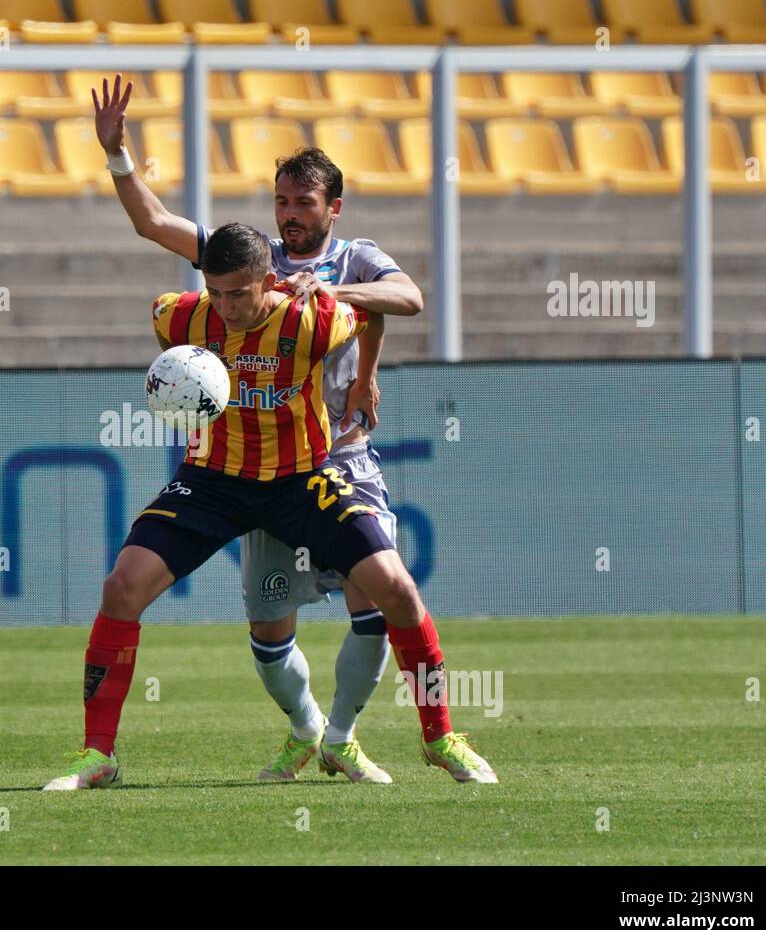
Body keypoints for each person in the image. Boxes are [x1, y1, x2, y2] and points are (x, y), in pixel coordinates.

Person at [43, 223, 498, 790]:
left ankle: (439, 738)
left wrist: (365, 378)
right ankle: (98, 755)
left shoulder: (312, 317)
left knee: (398, 590)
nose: (227, 307)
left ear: (268, 280)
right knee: (122, 586)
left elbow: (378, 311)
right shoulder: (180, 314)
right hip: (212, 481)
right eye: (216, 291)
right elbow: (164, 313)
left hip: (301, 479)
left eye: (239, 292)